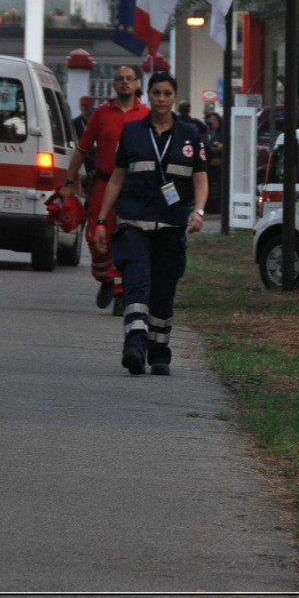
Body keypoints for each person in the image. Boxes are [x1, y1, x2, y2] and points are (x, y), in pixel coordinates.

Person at [96, 71, 208, 376]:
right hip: (134, 224)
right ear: (147, 95)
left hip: (171, 227)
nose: (161, 99)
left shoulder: (190, 135)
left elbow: (200, 178)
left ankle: (159, 351)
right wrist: (101, 221)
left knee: (163, 291)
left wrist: (197, 211)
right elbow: (116, 179)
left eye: (167, 94)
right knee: (137, 284)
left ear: (174, 97)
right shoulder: (132, 133)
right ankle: (134, 345)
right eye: (156, 93)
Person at [61, 65, 147, 310]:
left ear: (137, 84)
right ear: (113, 84)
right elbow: (82, 149)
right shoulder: (101, 114)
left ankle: (121, 291)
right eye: (120, 79)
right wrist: (69, 181)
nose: (125, 83)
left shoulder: (145, 115)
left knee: (130, 237)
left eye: (130, 79)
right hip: (103, 183)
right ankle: (106, 279)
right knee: (96, 237)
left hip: (133, 185)